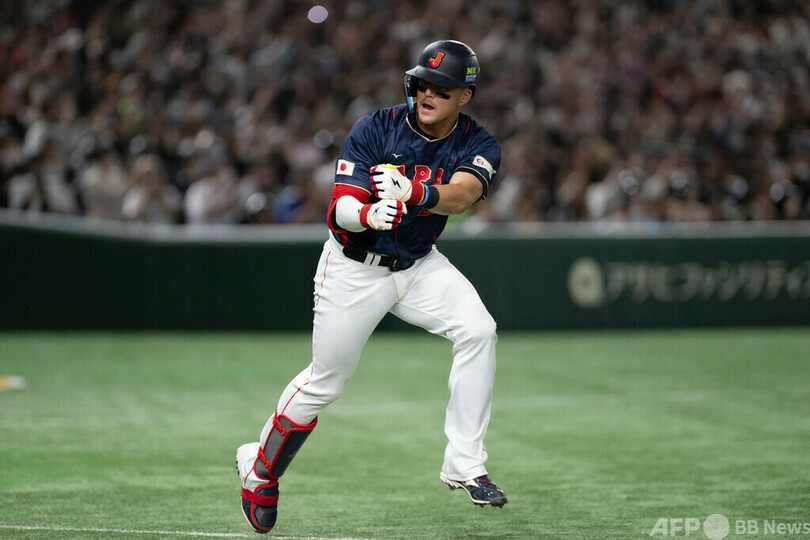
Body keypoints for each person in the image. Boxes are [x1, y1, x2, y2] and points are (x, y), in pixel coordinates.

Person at [235, 40, 507, 534]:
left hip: (419, 265)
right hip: (355, 267)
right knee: (326, 382)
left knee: (479, 330)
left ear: (463, 96)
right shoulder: (377, 127)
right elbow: (339, 205)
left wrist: (416, 192)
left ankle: (464, 462)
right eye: (422, 81)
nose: (427, 92)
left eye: (441, 88)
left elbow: (464, 195)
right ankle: (261, 472)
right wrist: (366, 213)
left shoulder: (478, 142)